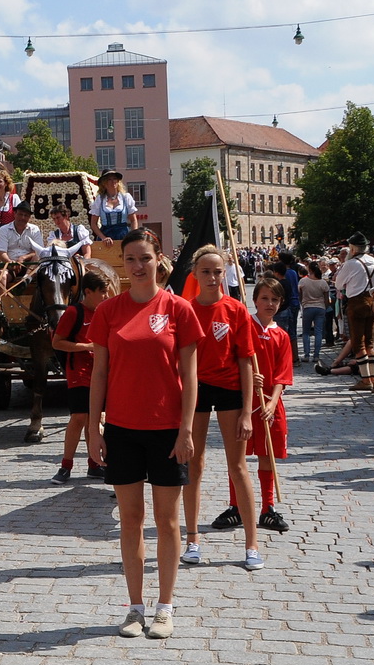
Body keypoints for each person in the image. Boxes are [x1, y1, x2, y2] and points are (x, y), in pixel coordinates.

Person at [87, 230, 200, 640]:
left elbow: (190, 375)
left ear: (158, 260)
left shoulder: (178, 309)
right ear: (123, 263)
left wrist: (186, 429)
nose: (138, 266)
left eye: (145, 258)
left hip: (167, 429)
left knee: (166, 521)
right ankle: (135, 608)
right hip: (121, 429)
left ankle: (164, 607)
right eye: (131, 259)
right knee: (130, 519)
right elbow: (99, 373)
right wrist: (93, 427)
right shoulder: (108, 311)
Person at [181, 248, 263, 570]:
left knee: (238, 466)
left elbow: (245, 361)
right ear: (195, 274)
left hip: (230, 389)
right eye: (206, 271)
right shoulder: (186, 310)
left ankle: (252, 544)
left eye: (218, 271)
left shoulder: (236, 309)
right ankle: (192, 539)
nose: (213, 277)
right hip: (197, 390)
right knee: (194, 464)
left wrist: (247, 412)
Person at [235, 275, 292, 531]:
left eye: (275, 299)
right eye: (265, 298)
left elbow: (283, 374)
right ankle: (236, 506)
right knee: (238, 457)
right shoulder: (245, 326)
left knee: (267, 455)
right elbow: (235, 359)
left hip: (269, 403)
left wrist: (273, 402)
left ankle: (267, 507)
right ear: (255, 300)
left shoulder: (282, 335)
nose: (269, 304)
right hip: (245, 403)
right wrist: (247, 376)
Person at [51, 271, 109, 483]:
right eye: (102, 292)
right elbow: (57, 342)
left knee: (95, 419)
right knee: (79, 417)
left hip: (101, 373)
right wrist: (87, 346)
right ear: (88, 292)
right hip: (79, 373)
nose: (106, 296)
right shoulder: (74, 312)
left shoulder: (105, 312)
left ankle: (94, 465)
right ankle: (65, 466)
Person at [332, 235, 374, 387]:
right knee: (370, 342)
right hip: (371, 300)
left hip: (356, 302)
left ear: (352, 248)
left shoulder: (351, 263)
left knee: (358, 342)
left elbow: (338, 284)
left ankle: (366, 379)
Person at [0, 202, 47, 267]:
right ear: (15, 214)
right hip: (8, 265)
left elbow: (39, 251)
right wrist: (10, 263)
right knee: (2, 273)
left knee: (37, 257)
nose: (23, 218)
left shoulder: (35, 230)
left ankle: (28, 274)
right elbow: (1, 252)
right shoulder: (4, 230)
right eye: (20, 214)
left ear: (29, 217)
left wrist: (24, 257)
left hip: (29, 265)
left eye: (26, 215)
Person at [88, 170, 137, 242]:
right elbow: (93, 223)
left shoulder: (126, 197)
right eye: (109, 179)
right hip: (106, 236)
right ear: (104, 183)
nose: (113, 181)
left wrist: (133, 237)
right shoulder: (100, 199)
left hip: (123, 235)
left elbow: (133, 220)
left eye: (115, 179)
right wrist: (103, 238)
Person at [298, 261, 330, 364]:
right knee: (318, 332)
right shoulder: (323, 282)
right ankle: (316, 355)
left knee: (306, 332)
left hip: (307, 307)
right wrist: (325, 308)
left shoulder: (303, 281)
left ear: (310, 269)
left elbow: (300, 295)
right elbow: (326, 298)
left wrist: (303, 304)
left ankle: (307, 355)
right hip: (320, 308)